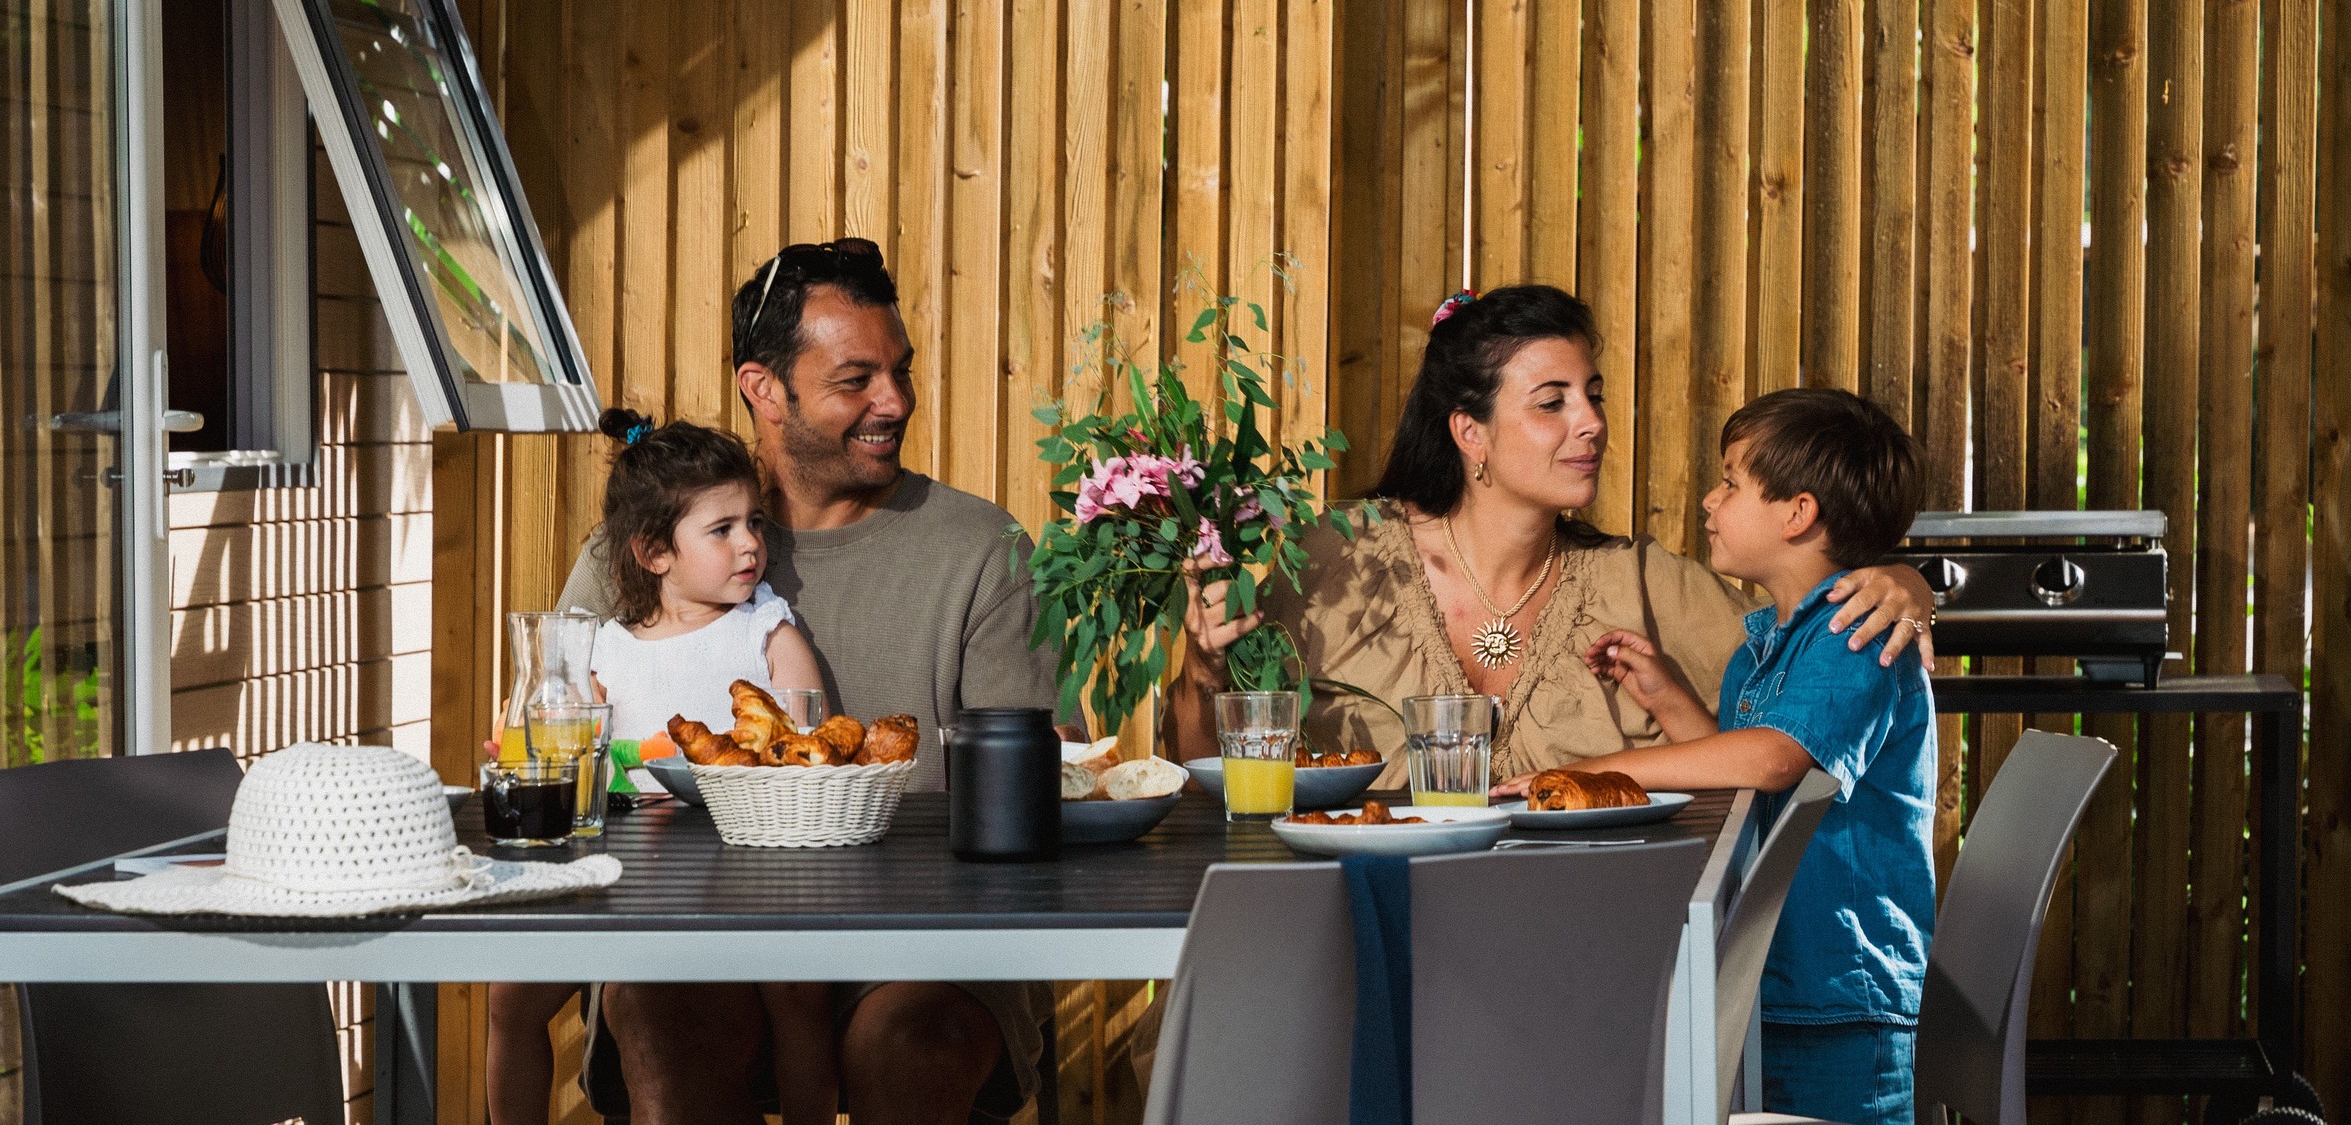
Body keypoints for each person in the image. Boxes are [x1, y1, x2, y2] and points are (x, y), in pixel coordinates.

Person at [553, 238, 1058, 1125]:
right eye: (855, 379)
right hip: (689, 921)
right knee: (668, 1020)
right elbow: (550, 736)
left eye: (899, 371)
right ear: (764, 387)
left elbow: (1039, 774)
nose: (894, 401)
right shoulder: (643, 549)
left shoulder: (982, 549)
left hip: (923, 934)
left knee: (915, 1042)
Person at [1162, 285, 1937, 776]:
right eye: (1552, 401)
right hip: (1368, 935)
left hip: (1588, 951)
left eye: (1592, 395)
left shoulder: (1640, 583)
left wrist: (1907, 583)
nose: (1591, 422)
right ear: (1469, 431)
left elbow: (1815, 640)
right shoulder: (1339, 557)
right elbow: (1211, 776)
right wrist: (1201, 668)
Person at [1565, 387, 1935, 1125]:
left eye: (1731, 482)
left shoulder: (1856, 635)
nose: (1709, 499)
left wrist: (1594, 770)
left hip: (1840, 995)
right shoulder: (1764, 648)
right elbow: (1746, 776)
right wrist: (1667, 697)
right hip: (1782, 987)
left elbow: (1774, 761)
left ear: (1798, 513)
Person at [489, 410, 837, 1125]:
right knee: (507, 998)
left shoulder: (765, 631)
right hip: (622, 883)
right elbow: (561, 753)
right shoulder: (606, 650)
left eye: (754, 522)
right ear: (654, 554)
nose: (750, 543)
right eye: (722, 529)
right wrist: (530, 747)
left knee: (800, 994)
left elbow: (813, 751)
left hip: (746, 873)